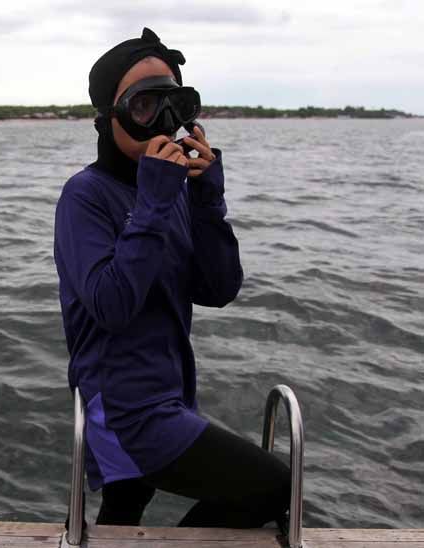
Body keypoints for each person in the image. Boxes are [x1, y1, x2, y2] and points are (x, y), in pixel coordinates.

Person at [53, 27, 291, 528]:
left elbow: (219, 289)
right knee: (273, 485)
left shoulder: (173, 193)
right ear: (107, 118)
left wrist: (206, 202)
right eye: (143, 107)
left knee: (125, 508)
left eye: (175, 105)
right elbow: (112, 304)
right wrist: (155, 202)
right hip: (123, 409)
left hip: (169, 393)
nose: (162, 122)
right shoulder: (84, 197)